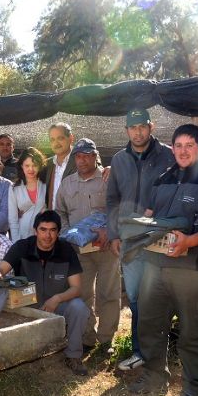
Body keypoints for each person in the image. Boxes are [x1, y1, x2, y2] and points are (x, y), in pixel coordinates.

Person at [130, 124, 198, 396]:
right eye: (178, 145)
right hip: (156, 264)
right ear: (172, 148)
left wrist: (190, 240)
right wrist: (139, 227)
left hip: (195, 269)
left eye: (190, 145)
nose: (183, 151)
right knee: (150, 323)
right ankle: (154, 376)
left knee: (192, 330)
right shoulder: (164, 178)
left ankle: (193, 388)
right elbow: (150, 215)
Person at [106, 109, 175, 371]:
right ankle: (140, 351)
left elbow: (176, 190)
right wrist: (113, 233)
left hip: (157, 236)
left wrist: (156, 211)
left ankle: (157, 356)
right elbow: (112, 199)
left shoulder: (168, 155)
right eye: (132, 127)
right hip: (128, 238)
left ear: (151, 126)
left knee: (157, 296)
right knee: (134, 296)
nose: (138, 132)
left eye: (142, 126)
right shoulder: (119, 159)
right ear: (126, 131)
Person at [0, 210, 91, 376]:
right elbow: (2, 268)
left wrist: (57, 299)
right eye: (43, 229)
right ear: (35, 231)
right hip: (26, 305)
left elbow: (77, 288)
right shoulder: (22, 246)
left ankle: (73, 356)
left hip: (55, 306)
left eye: (52, 230)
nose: (47, 235)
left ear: (58, 232)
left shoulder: (66, 250)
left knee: (79, 308)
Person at [55, 138, 120, 354]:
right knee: (82, 293)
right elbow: (60, 212)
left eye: (87, 156)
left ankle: (106, 340)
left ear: (95, 157)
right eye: (79, 156)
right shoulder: (67, 184)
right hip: (79, 251)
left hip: (106, 247)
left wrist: (110, 231)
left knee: (108, 293)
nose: (82, 160)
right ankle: (87, 337)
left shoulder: (108, 178)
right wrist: (66, 235)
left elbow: (119, 208)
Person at [8, 147, 47, 242]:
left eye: (34, 165)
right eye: (27, 165)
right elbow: (12, 220)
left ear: (40, 166)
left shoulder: (46, 185)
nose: (31, 169)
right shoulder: (14, 188)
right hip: (22, 237)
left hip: (44, 237)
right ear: (21, 166)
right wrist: (16, 242)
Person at [43, 123, 77, 209]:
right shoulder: (47, 164)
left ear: (71, 138)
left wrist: (108, 169)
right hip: (53, 219)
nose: (56, 143)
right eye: (52, 140)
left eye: (60, 138)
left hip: (74, 219)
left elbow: (95, 164)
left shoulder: (81, 160)